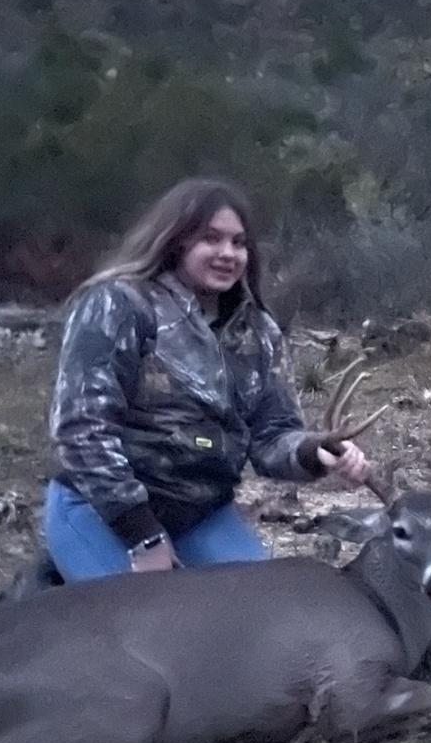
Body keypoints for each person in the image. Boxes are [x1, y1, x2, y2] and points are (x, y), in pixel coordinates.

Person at [45, 176, 371, 581]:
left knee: (264, 613)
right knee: (151, 628)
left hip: (200, 516)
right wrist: (143, 537)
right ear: (176, 241)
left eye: (239, 243)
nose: (227, 254)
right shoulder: (118, 305)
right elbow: (81, 431)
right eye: (211, 239)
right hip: (103, 510)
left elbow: (272, 435)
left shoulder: (256, 332)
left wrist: (314, 451)